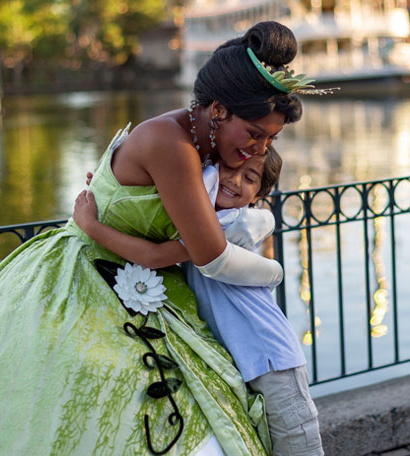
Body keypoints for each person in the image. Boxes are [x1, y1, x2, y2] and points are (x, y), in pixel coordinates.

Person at [0, 21, 304, 456]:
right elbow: (211, 256)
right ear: (219, 110)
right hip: (85, 277)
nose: (260, 150)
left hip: (135, 277)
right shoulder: (172, 145)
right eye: (256, 134)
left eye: (271, 139)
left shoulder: (205, 146)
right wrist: (274, 271)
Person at [75, 148, 324, 456]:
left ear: (258, 194)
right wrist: (112, 193)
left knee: (298, 445)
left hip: (270, 356)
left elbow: (154, 255)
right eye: (229, 168)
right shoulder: (199, 214)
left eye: (249, 178)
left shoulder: (226, 224)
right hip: (241, 358)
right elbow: (154, 210)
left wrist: (93, 227)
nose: (233, 180)